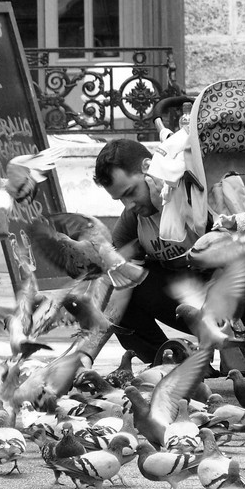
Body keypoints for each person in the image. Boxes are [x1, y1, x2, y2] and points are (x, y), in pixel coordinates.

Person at [93, 138, 205, 365]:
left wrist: (165, 208)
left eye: (130, 192)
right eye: (120, 199)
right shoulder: (132, 219)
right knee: (119, 285)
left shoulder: (192, 192)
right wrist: (86, 356)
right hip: (183, 303)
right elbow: (115, 287)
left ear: (148, 168)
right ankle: (170, 364)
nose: (129, 204)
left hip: (229, 298)